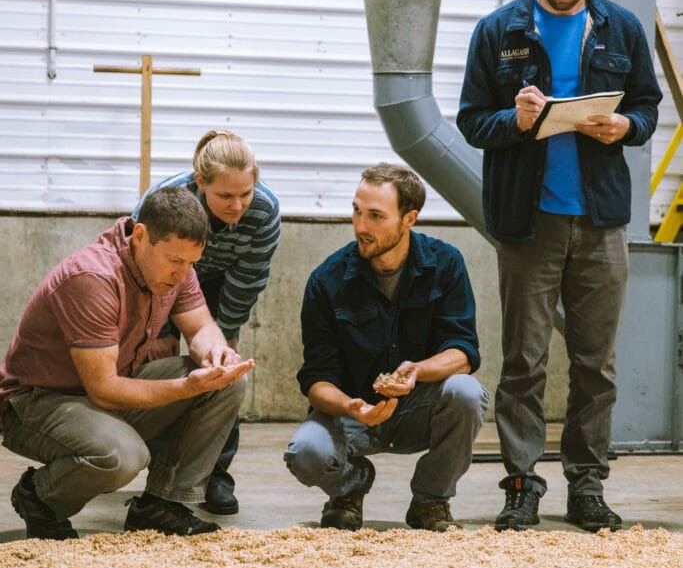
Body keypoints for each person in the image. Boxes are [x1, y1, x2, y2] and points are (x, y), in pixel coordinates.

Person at [456, 0, 662, 534]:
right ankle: (521, 484)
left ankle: (587, 485)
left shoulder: (621, 28)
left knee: (595, 363)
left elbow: (648, 108)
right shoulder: (500, 30)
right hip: (528, 220)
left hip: (600, 221)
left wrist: (626, 127)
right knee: (523, 360)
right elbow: (471, 121)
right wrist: (514, 122)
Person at [0, 186, 254, 540]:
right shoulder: (92, 279)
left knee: (227, 383)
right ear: (140, 236)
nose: (183, 274)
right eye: (176, 262)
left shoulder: (175, 264)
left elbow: (200, 326)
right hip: (36, 403)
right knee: (124, 456)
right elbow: (104, 390)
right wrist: (186, 386)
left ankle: (161, 505)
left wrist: (215, 353)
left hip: (109, 385)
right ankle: (39, 496)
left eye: (191, 263)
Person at [283, 162, 488, 531]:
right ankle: (350, 487)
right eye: (357, 211)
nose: (361, 226)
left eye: (376, 216)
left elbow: (463, 352)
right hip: (351, 415)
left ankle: (431, 501)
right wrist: (351, 406)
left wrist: (417, 370)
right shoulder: (327, 280)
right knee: (306, 453)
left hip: (418, 408)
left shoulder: (446, 264)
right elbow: (316, 378)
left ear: (409, 218)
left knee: (466, 392)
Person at [133, 129, 280, 516]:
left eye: (245, 193)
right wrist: (159, 331)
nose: (237, 205)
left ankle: (216, 474)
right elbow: (141, 268)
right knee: (162, 364)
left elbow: (250, 277)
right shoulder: (163, 202)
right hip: (166, 274)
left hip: (223, 280)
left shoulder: (265, 211)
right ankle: (164, 469)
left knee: (222, 368)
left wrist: (225, 333)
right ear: (200, 183)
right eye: (225, 196)